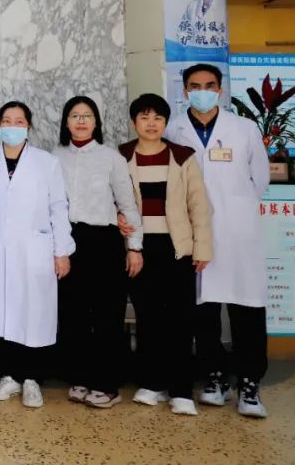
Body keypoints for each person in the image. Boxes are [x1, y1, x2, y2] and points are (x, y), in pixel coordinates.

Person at [165, 64, 270, 418]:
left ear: (220, 90)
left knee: (247, 309)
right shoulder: (174, 130)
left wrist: (234, 207)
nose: (202, 92)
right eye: (195, 86)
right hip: (196, 232)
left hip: (239, 232)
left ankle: (250, 383)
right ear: (185, 91)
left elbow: (260, 179)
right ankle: (214, 377)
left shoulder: (244, 129)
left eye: (209, 85)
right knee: (203, 310)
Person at [117, 93, 212, 416]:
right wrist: (117, 216)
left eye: (157, 118)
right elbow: (111, 198)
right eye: (144, 117)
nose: (151, 123)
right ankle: (152, 383)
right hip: (138, 249)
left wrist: (202, 248)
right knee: (148, 318)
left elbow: (199, 206)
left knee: (180, 320)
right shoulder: (122, 156)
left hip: (176, 248)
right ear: (134, 122)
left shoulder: (182, 157)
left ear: (166, 122)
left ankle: (181, 390)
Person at [0, 101, 73, 409]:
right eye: (7, 120)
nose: (13, 126)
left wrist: (62, 251)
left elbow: (58, 207)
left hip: (35, 250)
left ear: (28, 125)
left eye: (19, 121)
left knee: (33, 313)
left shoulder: (47, 162)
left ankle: (32, 379)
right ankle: (9, 377)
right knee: (4, 313)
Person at [53, 96, 143, 409]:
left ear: (96, 122)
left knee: (106, 314)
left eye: (87, 115)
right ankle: (79, 376)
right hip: (68, 240)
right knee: (73, 314)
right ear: (66, 122)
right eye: (75, 115)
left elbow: (127, 204)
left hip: (103, 241)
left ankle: (107, 384)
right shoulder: (55, 157)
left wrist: (135, 247)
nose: (81, 121)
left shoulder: (111, 158)